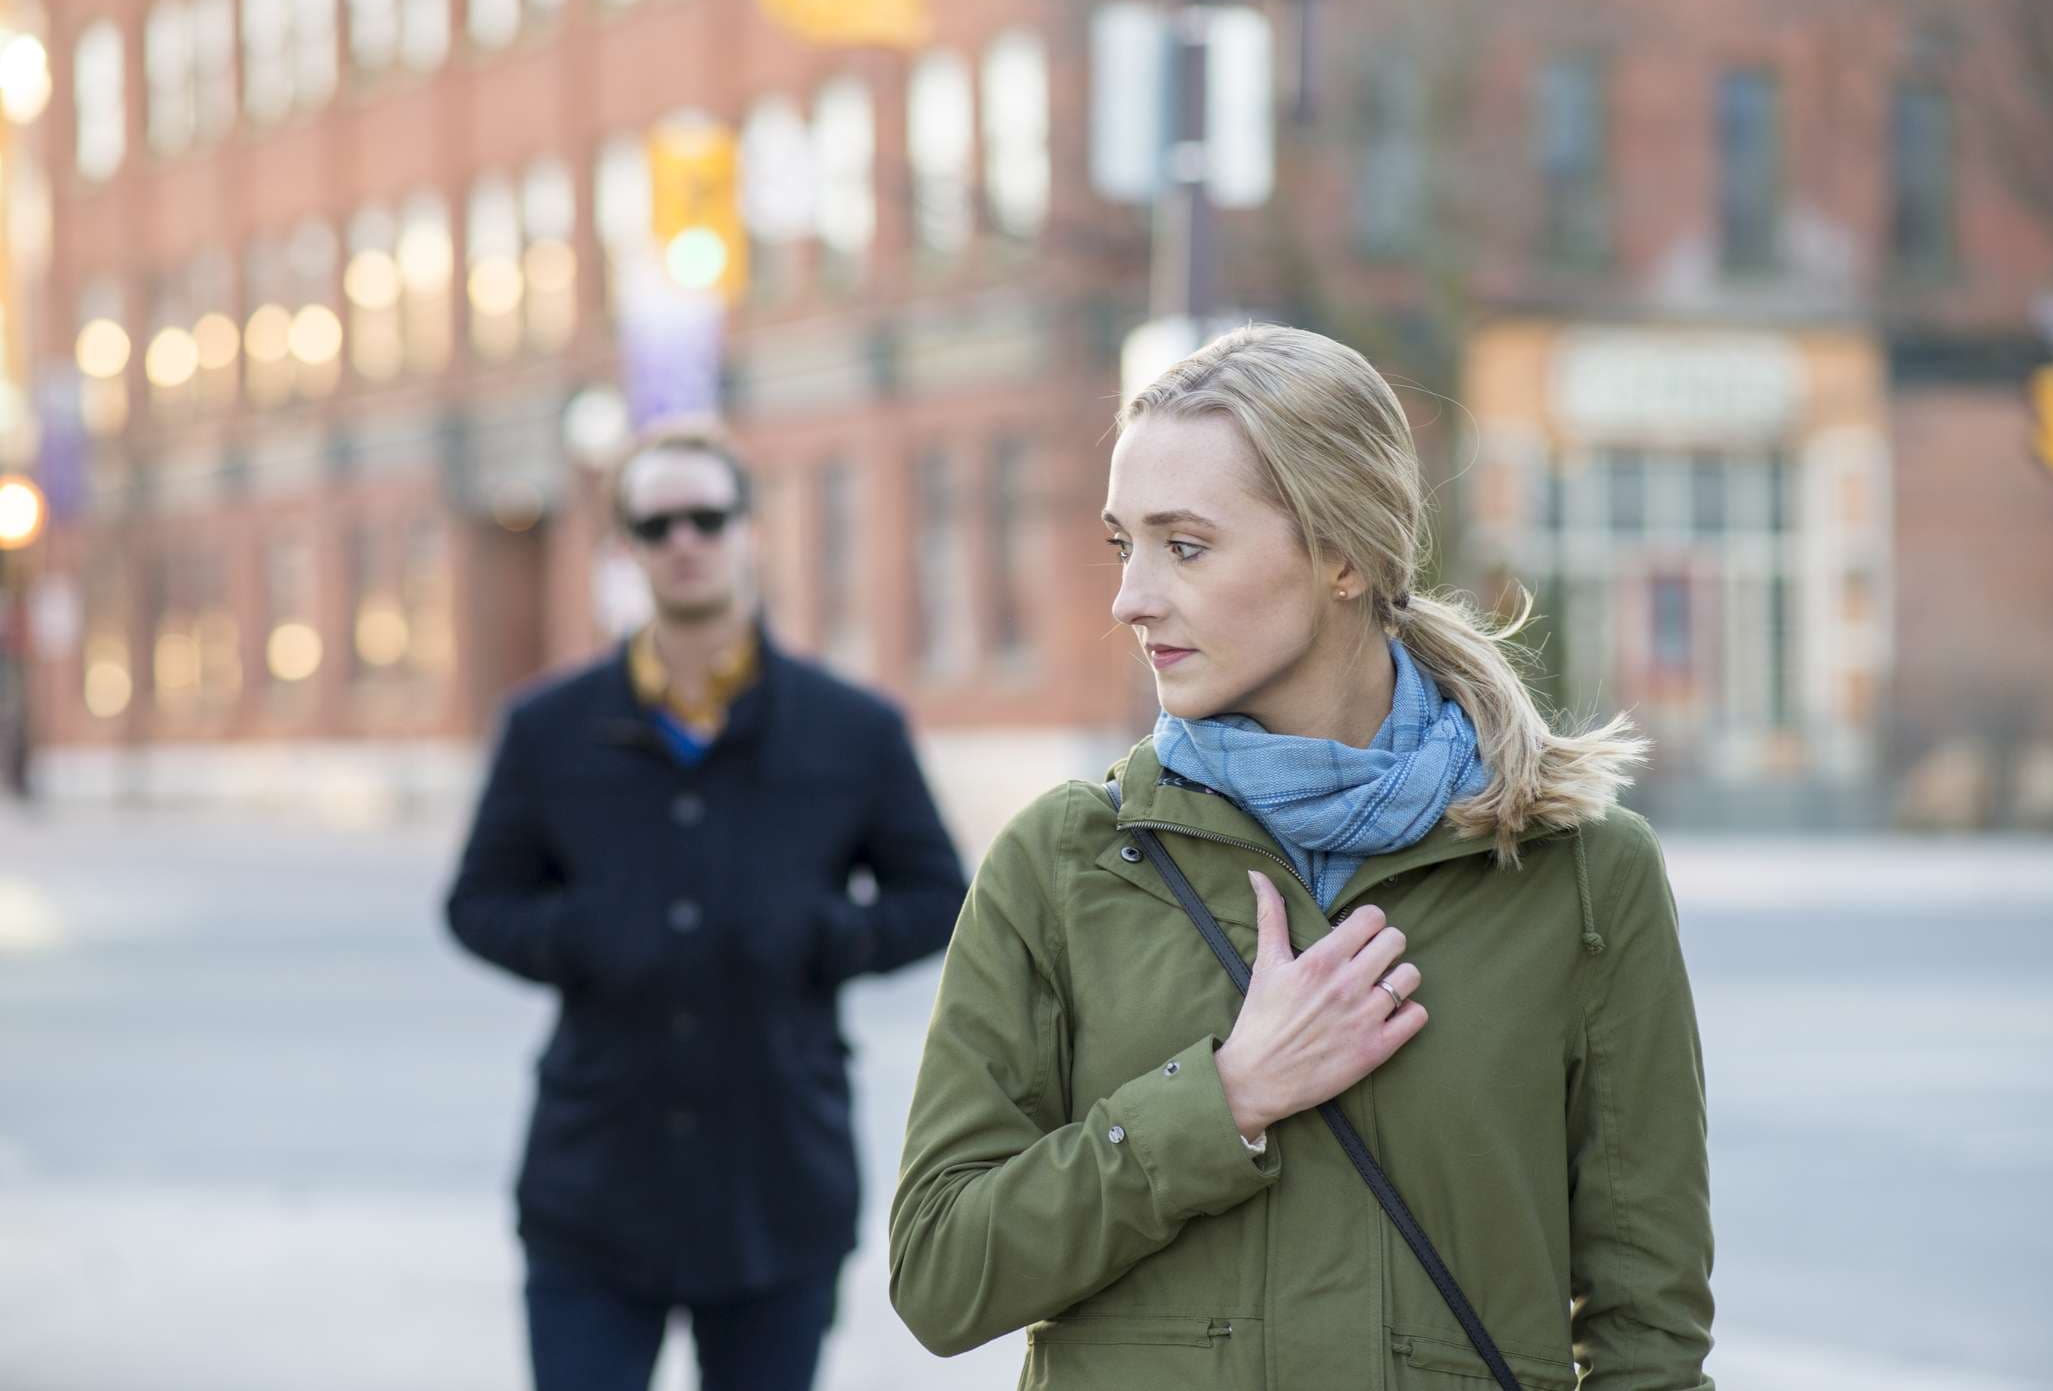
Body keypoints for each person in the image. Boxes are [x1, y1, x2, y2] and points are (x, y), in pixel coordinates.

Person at [890, 326, 1713, 1388]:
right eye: (1122, 544)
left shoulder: (1583, 872)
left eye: (1183, 545)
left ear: (1345, 554)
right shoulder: (1062, 861)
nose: (1130, 597)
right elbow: (941, 1272)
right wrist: (1222, 1099)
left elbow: (1649, 1326)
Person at [446, 418, 967, 1391]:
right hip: (592, 1181)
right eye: (655, 524)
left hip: (777, 1183)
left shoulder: (851, 726)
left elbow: (938, 893)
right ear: (626, 549)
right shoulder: (547, 727)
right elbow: (478, 902)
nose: (683, 540)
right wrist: (584, 935)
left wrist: (824, 936)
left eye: (706, 517)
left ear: (749, 533)